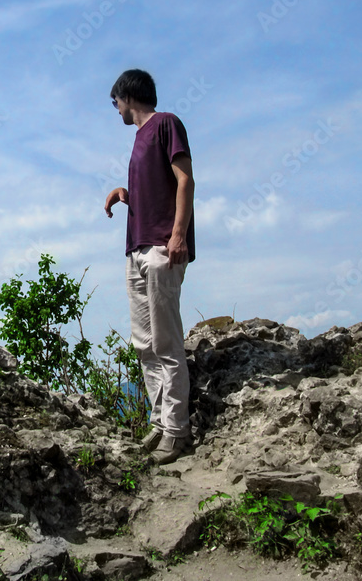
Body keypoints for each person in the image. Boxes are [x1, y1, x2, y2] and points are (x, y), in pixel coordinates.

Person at [104, 69, 195, 465]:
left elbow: (185, 180)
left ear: (127, 96)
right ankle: (159, 423)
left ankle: (177, 432)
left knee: (167, 344)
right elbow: (156, 185)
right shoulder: (139, 139)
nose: (116, 109)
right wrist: (127, 193)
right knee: (145, 346)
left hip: (162, 248)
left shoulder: (166, 124)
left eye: (116, 102)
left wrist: (178, 235)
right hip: (136, 249)